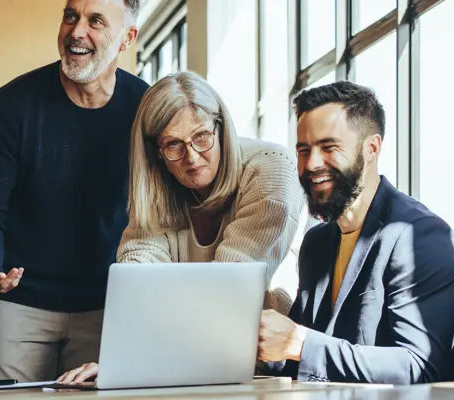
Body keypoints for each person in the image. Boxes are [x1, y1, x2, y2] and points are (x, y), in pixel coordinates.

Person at [55, 71, 306, 383]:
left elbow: (227, 293)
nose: (192, 157)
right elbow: (140, 284)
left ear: (222, 127)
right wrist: (121, 363)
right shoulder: (157, 190)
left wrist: (138, 361)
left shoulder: (271, 169)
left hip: (264, 364)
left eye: (202, 137)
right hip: (184, 359)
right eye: (173, 144)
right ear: (156, 152)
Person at [0, 0, 149, 383]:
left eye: (96, 21)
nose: (77, 31)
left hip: (108, 306)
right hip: (19, 305)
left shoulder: (147, 109)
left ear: (127, 38)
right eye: (71, 16)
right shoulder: (10, 106)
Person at [256, 81, 454, 384]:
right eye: (303, 150)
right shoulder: (317, 241)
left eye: (329, 147)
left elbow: (419, 364)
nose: (312, 164)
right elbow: (298, 357)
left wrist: (300, 343)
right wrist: (254, 345)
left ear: (371, 148)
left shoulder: (418, 235)